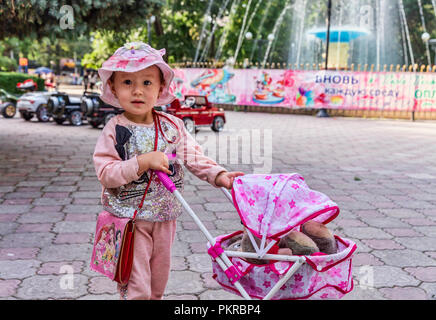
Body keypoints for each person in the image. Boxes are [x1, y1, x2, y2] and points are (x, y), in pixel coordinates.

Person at [92, 41, 244, 300]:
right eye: (127, 82)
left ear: (161, 87)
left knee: (158, 281)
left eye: (147, 82)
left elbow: (193, 156)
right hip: (130, 221)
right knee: (136, 284)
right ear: (114, 89)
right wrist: (141, 162)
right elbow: (106, 173)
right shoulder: (114, 129)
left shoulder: (172, 126)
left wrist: (218, 175)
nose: (137, 90)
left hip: (165, 218)